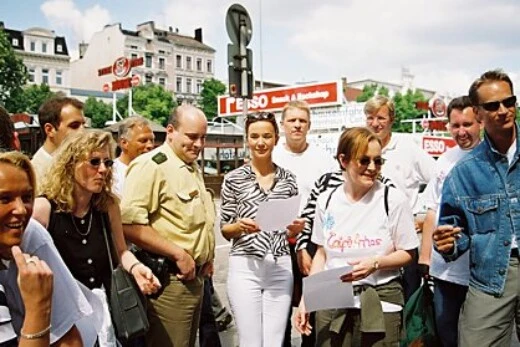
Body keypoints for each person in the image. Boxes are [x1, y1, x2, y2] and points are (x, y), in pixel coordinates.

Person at [32, 130, 160, 345]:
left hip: (105, 311)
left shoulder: (107, 206)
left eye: (108, 162)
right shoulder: (44, 209)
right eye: (94, 161)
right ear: (70, 164)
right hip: (63, 318)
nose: (103, 169)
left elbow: (121, 251)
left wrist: (137, 268)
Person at [294, 127, 418, 346]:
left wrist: (376, 263)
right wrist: (307, 299)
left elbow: (408, 253)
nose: (372, 168)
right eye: (364, 160)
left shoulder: (392, 199)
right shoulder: (326, 200)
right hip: (331, 296)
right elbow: (322, 253)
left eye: (378, 161)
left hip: (379, 298)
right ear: (344, 160)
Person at [434, 70, 520, 346]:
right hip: (492, 272)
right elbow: (455, 232)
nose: (504, 110)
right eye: (493, 106)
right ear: (479, 114)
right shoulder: (463, 173)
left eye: (509, 102)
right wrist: (447, 243)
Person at [121, 105, 216, 347]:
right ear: (171, 131)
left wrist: (207, 255)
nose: (198, 144)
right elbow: (129, 225)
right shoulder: (152, 165)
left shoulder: (189, 166)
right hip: (170, 282)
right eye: (192, 137)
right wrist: (178, 253)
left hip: (194, 279)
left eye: (203, 137)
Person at [220, 111, 304, 347]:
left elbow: (288, 229)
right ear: (247, 139)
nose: (260, 142)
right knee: (250, 342)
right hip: (245, 265)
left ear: (276, 138)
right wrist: (238, 227)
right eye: (254, 136)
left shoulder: (289, 179)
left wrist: (295, 228)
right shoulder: (234, 178)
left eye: (267, 136)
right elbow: (225, 229)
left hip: (280, 266)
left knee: (275, 342)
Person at [0, 151, 92, 346]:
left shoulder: (31, 235)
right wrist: (38, 307)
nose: (21, 210)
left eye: (26, 197)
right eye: (4, 199)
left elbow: (68, 337)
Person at [418, 96, 482, 347]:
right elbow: (432, 209)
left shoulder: (493, 158)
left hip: (478, 271)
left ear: (480, 123)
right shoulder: (444, 160)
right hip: (444, 270)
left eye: (467, 124)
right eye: (455, 126)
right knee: (446, 335)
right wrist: (425, 258)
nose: (462, 131)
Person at [272, 100, 336, 347]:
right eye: (292, 120)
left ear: (309, 125)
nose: (297, 126)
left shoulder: (323, 159)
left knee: (315, 306)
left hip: (312, 241)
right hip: (276, 242)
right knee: (281, 308)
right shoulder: (272, 156)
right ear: (283, 124)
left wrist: (307, 245)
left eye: (302, 121)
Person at [365, 95, 435, 300]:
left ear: (392, 119)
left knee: (408, 297)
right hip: (373, 236)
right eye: (370, 118)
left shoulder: (407, 148)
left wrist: (423, 217)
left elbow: (439, 178)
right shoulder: (362, 147)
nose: (375, 123)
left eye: (381, 118)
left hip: (404, 238)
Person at [31, 96, 86, 186]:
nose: (82, 131)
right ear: (50, 130)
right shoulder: (33, 174)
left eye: (84, 125)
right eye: (74, 126)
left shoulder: (82, 165)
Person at [112, 116, 155, 198]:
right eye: (143, 141)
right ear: (124, 143)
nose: (150, 145)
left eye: (152, 140)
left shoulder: (156, 170)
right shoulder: (111, 174)